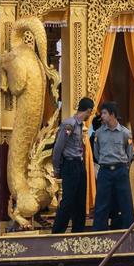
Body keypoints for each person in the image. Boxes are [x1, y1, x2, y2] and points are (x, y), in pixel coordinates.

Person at [51, 97, 95, 233]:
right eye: (90, 112)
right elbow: (58, 147)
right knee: (68, 201)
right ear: (88, 110)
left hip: (79, 164)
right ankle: (57, 233)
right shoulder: (69, 124)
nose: (90, 115)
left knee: (80, 201)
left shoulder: (80, 125)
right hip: (69, 165)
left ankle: (78, 232)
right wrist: (56, 167)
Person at [91, 101, 134, 231]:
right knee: (101, 203)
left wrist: (123, 166)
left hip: (120, 170)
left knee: (125, 202)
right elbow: (97, 152)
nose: (102, 116)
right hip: (105, 170)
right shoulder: (99, 133)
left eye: (104, 113)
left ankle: (129, 231)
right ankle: (99, 233)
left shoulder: (125, 133)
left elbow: (129, 153)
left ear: (112, 114)